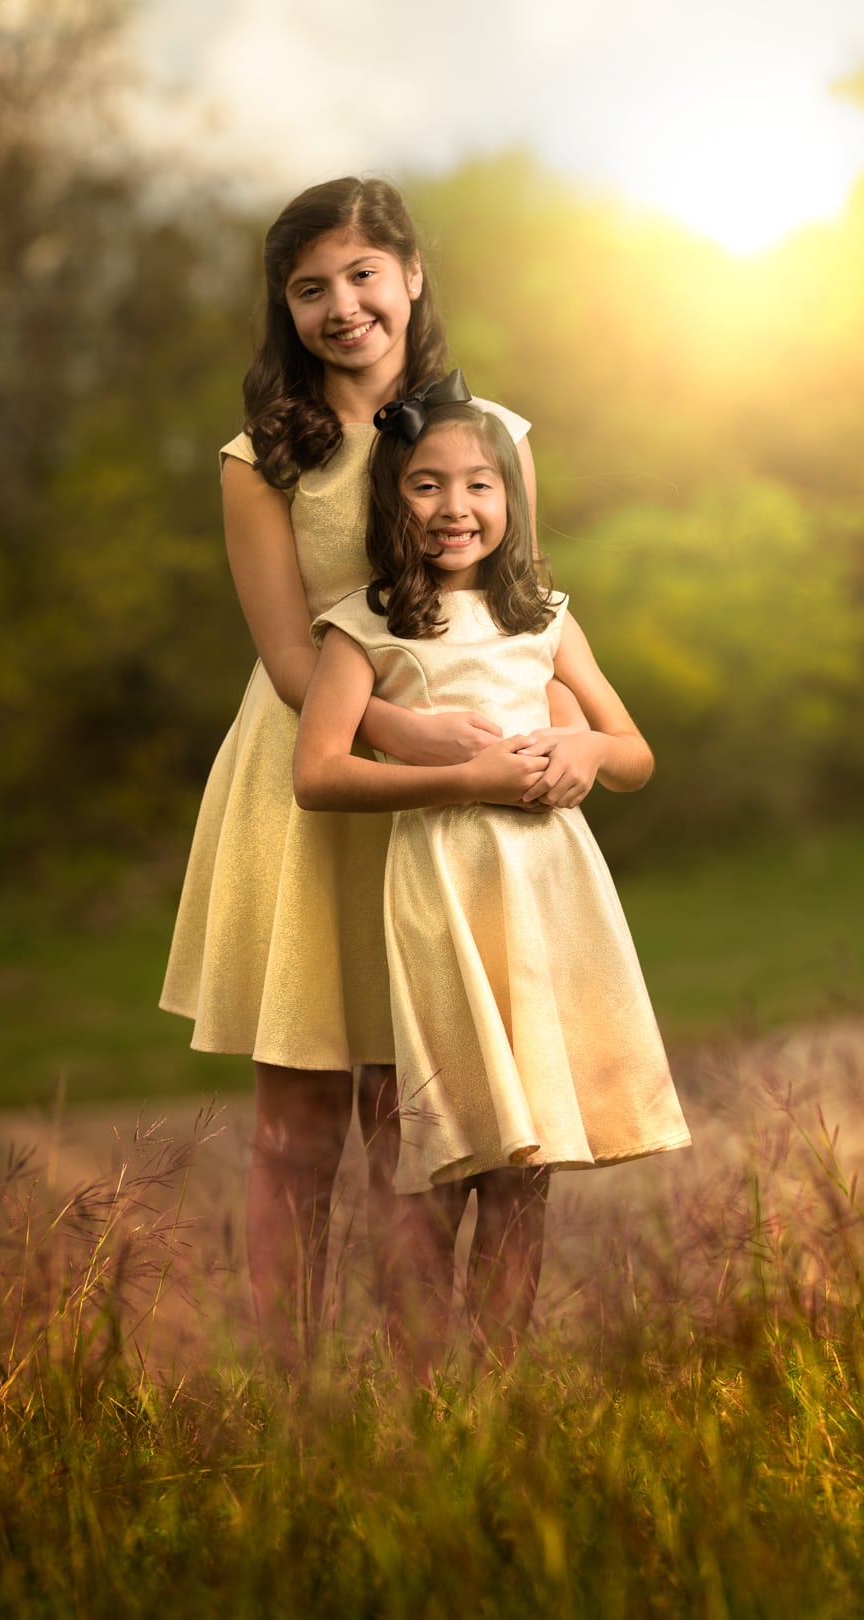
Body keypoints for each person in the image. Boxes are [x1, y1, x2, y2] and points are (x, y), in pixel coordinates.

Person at [160, 177, 579, 1361]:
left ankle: (423, 1393)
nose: (342, 308)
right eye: (310, 290)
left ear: (410, 277)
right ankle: (287, 1405)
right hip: (310, 782)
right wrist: (408, 739)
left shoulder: (494, 436)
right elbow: (293, 657)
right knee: (298, 1125)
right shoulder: (261, 461)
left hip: (457, 810)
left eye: (360, 277)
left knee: (421, 1107)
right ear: (285, 310)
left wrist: (546, 748)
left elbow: (518, 620)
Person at [293, 396, 692, 1365]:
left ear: (510, 496)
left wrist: (586, 748)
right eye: (426, 485)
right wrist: (462, 778)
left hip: (544, 904)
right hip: (441, 902)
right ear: (392, 500)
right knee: (430, 1160)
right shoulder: (363, 628)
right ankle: (423, 1391)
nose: (453, 505)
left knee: (526, 1162)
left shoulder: (545, 618)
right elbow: (319, 774)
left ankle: (501, 1390)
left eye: (477, 484)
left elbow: (635, 753)